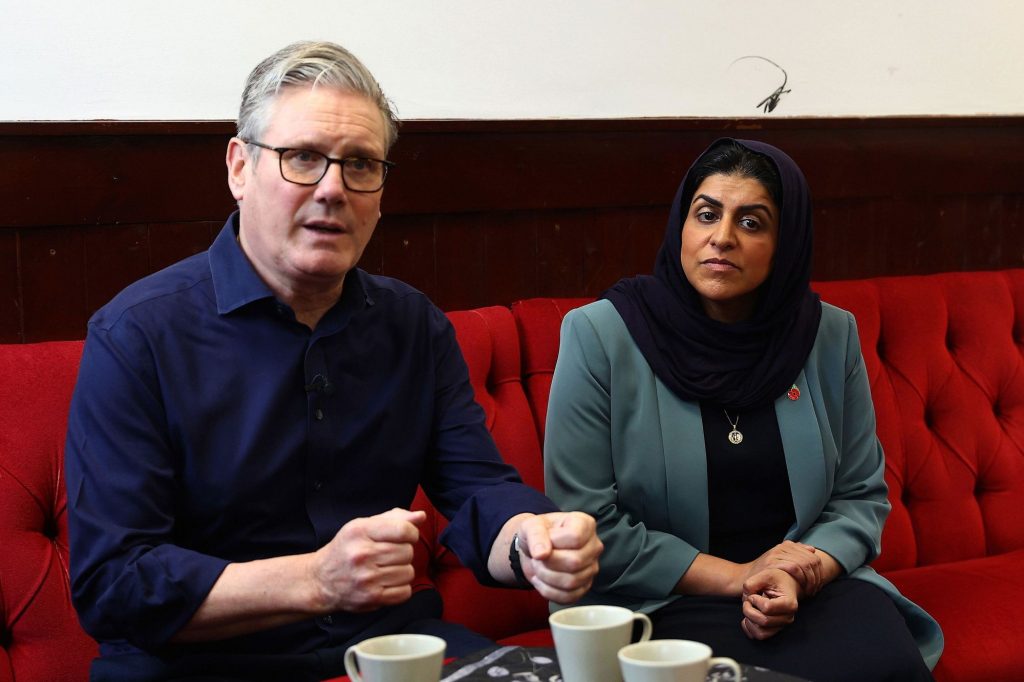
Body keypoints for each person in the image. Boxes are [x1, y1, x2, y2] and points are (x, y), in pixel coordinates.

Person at [65, 40, 601, 681]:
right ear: (240, 168)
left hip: (393, 649)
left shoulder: (414, 325)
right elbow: (113, 583)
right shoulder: (137, 335)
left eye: (360, 165)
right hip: (195, 664)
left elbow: (479, 489)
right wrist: (315, 580)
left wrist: (534, 544)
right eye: (303, 159)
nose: (332, 189)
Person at [543, 138, 942, 682]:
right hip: (660, 600)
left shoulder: (829, 335)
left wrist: (803, 573)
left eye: (752, 223)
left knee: (885, 666)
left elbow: (860, 497)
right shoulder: (601, 335)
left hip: (806, 593)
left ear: (786, 243)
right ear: (682, 226)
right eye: (706, 214)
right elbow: (589, 522)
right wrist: (739, 576)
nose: (722, 238)